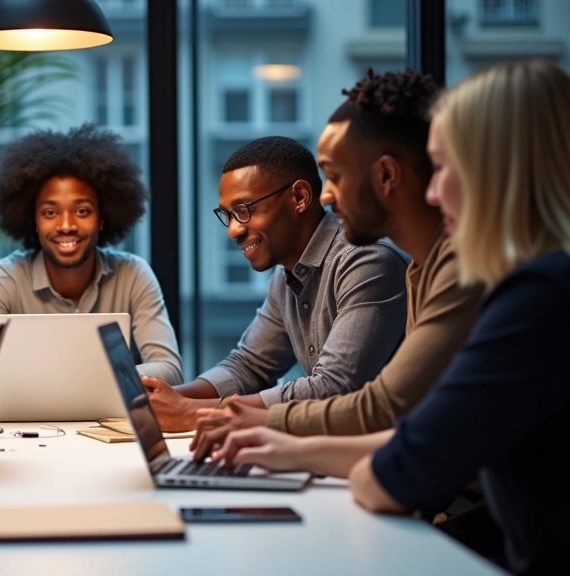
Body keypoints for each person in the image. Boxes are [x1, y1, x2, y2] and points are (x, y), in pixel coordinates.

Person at [204, 60, 570, 575]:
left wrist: (273, 430)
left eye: (445, 168)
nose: (433, 190)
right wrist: (280, 446)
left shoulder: (533, 294)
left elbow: (401, 450)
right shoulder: (469, 275)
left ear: (497, 172)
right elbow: (418, 434)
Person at [190, 69, 484, 452]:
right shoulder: (420, 270)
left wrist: (220, 415)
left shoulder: (401, 264)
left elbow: (370, 403)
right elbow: (396, 425)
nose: (325, 196)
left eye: (335, 176)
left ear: (386, 175)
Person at [144, 136, 409, 432]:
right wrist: (163, 399)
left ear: (299, 198)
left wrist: (195, 413)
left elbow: (335, 387)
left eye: (244, 210)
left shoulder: (366, 262)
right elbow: (249, 366)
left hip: (396, 464)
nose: (233, 230)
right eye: (228, 215)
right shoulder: (285, 277)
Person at [0, 124, 182, 398]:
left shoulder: (133, 275)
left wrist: (69, 379)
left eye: (82, 210)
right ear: (34, 221)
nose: (66, 225)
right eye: (50, 212)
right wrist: (105, 378)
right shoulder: (3, 279)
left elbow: (170, 370)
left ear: (103, 217)